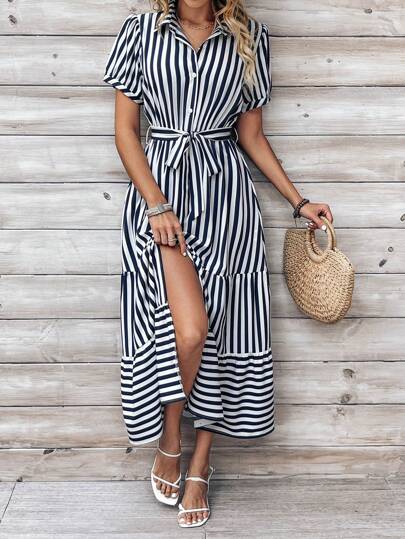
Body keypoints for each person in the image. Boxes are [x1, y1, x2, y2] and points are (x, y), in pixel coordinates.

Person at [103, 0, 333, 528]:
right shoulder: (140, 32)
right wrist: (156, 203)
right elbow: (125, 132)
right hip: (161, 201)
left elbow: (250, 136)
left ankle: (200, 465)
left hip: (228, 203)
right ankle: (169, 439)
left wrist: (298, 201)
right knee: (188, 332)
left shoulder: (249, 37)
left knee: (223, 335)